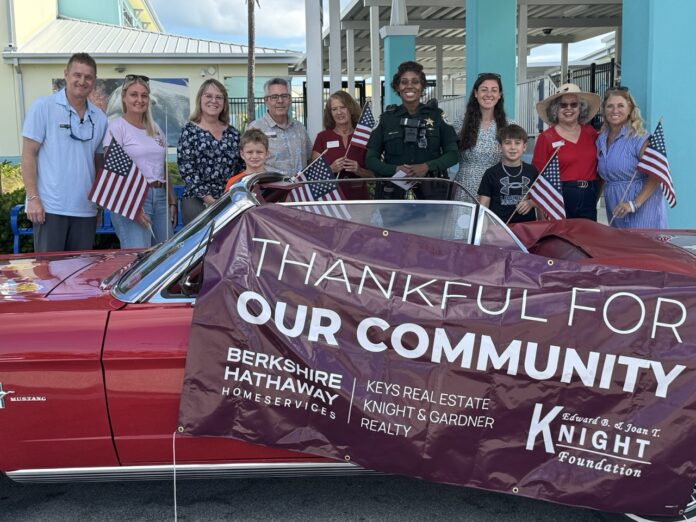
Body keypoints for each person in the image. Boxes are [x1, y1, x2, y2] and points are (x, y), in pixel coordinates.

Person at [21, 52, 108, 252]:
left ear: (93, 81)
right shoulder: (43, 107)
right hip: (50, 209)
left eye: (88, 77)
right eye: (77, 75)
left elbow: (98, 164)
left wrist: (98, 206)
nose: (82, 81)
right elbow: (28, 156)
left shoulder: (100, 118)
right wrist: (33, 199)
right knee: (49, 275)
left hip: (85, 210)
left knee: (77, 277)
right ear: (66, 75)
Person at [366, 61, 458, 200]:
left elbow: (453, 154)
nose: (409, 86)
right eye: (404, 82)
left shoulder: (436, 116)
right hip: (394, 193)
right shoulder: (386, 119)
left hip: (433, 194)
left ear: (422, 87)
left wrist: (427, 166)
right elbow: (370, 159)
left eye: (415, 82)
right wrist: (394, 169)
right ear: (397, 87)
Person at [104, 74, 176, 248]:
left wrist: (172, 201)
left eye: (144, 95)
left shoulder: (155, 128)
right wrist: (132, 208)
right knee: (138, 260)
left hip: (159, 198)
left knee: (165, 257)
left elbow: (162, 166)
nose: (140, 100)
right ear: (124, 98)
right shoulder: (117, 127)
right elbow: (113, 171)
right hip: (132, 197)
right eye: (134, 94)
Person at [596, 87, 667, 228]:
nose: (615, 110)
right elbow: (603, 177)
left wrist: (635, 203)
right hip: (615, 206)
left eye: (620, 105)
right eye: (610, 106)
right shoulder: (601, 139)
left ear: (630, 110)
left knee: (642, 248)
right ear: (604, 110)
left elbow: (656, 174)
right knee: (621, 247)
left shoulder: (638, 137)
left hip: (642, 207)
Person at [177, 79, 243, 224]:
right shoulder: (189, 131)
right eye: (208, 96)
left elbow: (240, 168)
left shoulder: (234, 134)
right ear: (200, 99)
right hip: (197, 200)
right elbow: (187, 170)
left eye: (219, 97)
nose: (214, 101)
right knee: (203, 246)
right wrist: (209, 199)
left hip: (229, 199)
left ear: (224, 103)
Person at [532, 83, 601, 220]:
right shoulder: (546, 138)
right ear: (555, 110)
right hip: (558, 196)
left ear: (580, 108)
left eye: (573, 104)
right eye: (563, 105)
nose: (568, 108)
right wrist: (540, 210)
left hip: (589, 194)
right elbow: (537, 176)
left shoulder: (591, 134)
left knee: (586, 240)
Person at [455, 72, 511, 202]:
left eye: (494, 90)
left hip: (496, 188)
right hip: (465, 188)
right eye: (484, 90)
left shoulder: (509, 126)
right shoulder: (460, 124)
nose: (488, 94)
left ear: (499, 95)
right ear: (475, 93)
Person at [311, 91, 373, 199]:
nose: (339, 112)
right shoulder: (322, 137)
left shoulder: (364, 137)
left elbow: (374, 175)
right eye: (334, 109)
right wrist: (331, 169)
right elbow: (313, 175)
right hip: (331, 200)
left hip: (359, 200)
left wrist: (359, 170)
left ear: (351, 109)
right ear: (330, 113)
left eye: (343, 107)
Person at [247, 78, 311, 176]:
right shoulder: (255, 129)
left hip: (300, 189)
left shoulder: (300, 128)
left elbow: (309, 159)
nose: (280, 100)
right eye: (274, 97)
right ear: (266, 101)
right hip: (270, 190)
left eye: (284, 96)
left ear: (289, 99)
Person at [478, 124, 538, 223]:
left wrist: (531, 203)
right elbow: (483, 206)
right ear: (500, 147)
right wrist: (483, 231)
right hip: (499, 228)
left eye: (517, 143)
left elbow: (540, 200)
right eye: (507, 143)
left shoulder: (532, 171)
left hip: (528, 228)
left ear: (524, 147)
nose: (513, 147)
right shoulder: (491, 173)